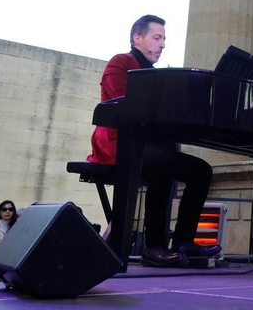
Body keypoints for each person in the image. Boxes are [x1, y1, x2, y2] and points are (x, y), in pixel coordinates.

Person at [89, 15, 216, 266]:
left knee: (201, 170)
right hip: (118, 142)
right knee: (163, 164)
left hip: (148, 145)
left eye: (164, 39)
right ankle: (154, 246)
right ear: (137, 38)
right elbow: (125, 104)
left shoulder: (156, 75)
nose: (163, 44)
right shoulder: (121, 62)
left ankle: (183, 241)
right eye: (157, 38)